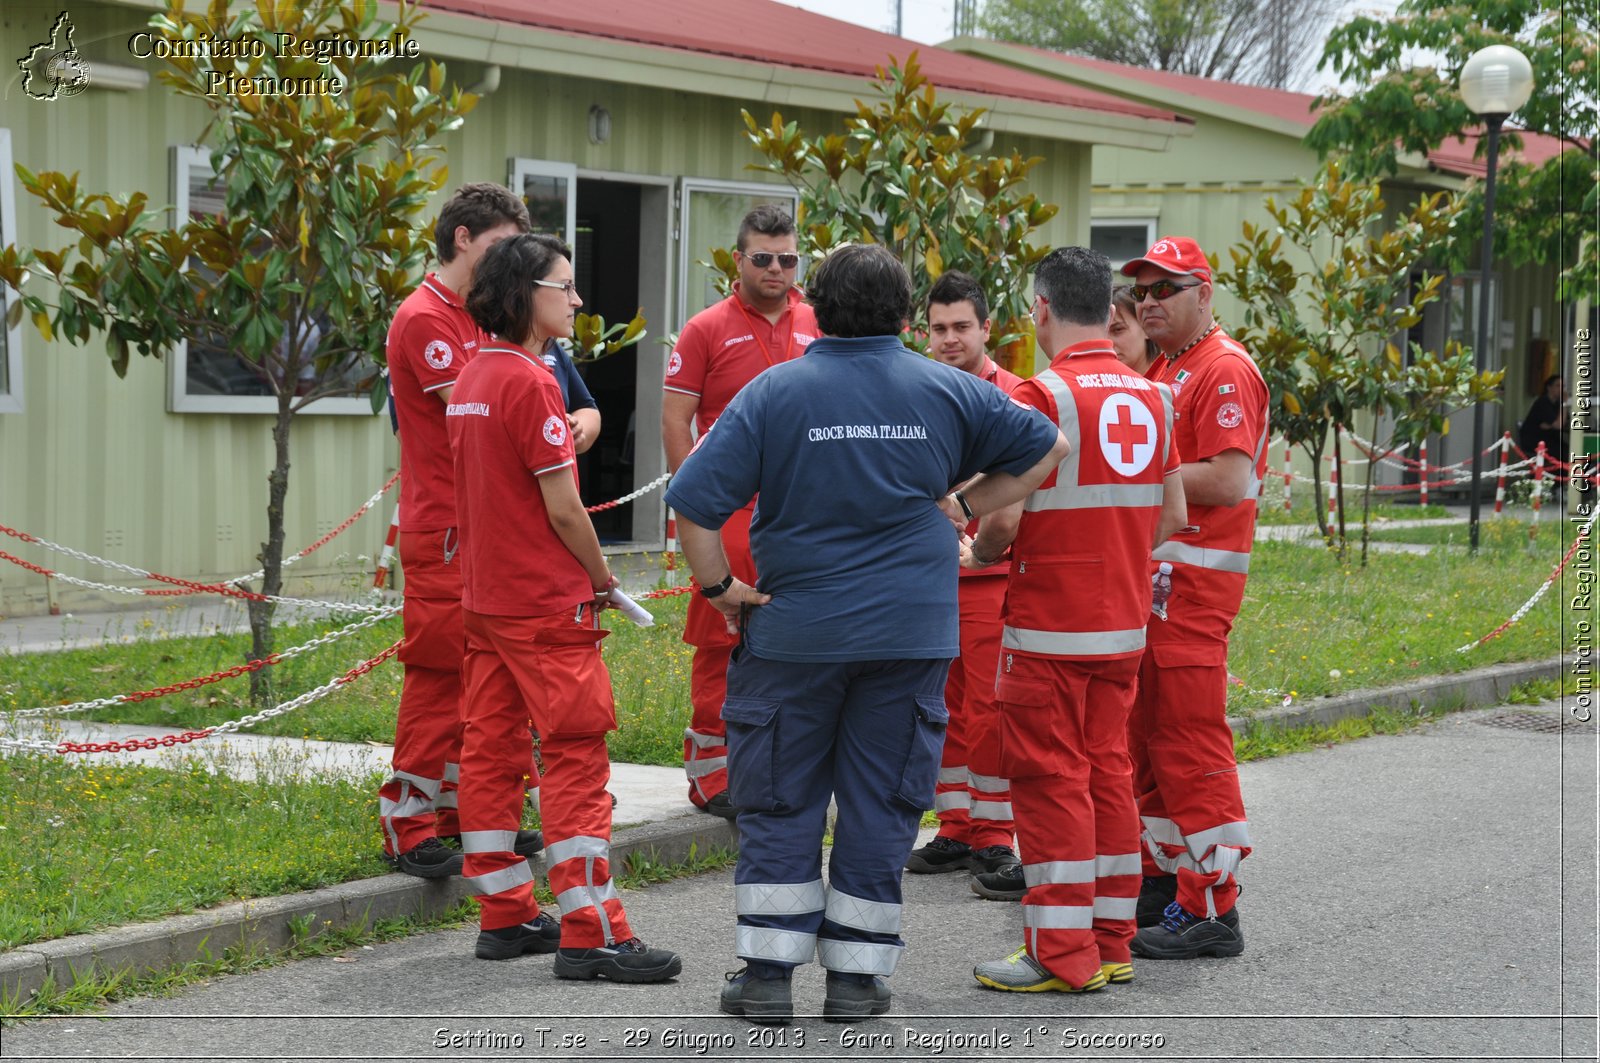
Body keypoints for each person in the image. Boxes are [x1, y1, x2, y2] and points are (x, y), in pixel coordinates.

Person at [666, 244, 1067, 1025]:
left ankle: (768, 977)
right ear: (907, 315)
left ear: (817, 303)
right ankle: (855, 979)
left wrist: (721, 591)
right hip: (910, 635)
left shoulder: (772, 392)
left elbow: (695, 504)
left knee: (779, 801)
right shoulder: (947, 386)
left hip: (792, 635)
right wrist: (963, 502)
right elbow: (1046, 447)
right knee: (884, 803)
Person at [449, 233, 682, 980]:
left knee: (490, 751)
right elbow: (564, 508)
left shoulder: (472, 377)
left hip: (487, 600)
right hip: (546, 605)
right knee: (576, 758)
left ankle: (505, 913)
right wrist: (602, 576)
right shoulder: (530, 380)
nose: (578, 300)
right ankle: (594, 931)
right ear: (527, 293)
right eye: (566, 286)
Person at [965, 247, 1186, 994]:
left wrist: (977, 548)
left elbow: (1005, 515)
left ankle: (1058, 952)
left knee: (1050, 781)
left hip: (1048, 629)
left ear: (1042, 310)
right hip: (1124, 628)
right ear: (1109, 307)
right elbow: (1174, 515)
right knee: (1108, 776)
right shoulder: (1156, 397)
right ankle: (1110, 939)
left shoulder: (1042, 394)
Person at [378, 183, 542, 877]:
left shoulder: (482, 314)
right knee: (438, 676)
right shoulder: (424, 318)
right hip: (445, 525)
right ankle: (407, 820)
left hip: (486, 525)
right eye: (504, 245)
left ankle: (453, 812)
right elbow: (491, 413)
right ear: (462, 239)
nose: (515, 261)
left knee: (483, 681)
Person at [1121, 236, 1269, 961]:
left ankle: (1213, 906)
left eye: (1165, 289)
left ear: (1203, 294)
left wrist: (1140, 482)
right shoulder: (1171, 364)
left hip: (1195, 592)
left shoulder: (1224, 367)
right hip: (1156, 589)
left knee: (1188, 741)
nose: (1149, 301)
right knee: (1146, 742)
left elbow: (1232, 478)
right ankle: (1166, 881)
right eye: (1141, 290)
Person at [661, 205, 818, 818]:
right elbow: (676, 421)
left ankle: (775, 766)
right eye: (763, 258)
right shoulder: (705, 328)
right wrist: (693, 504)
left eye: (788, 259)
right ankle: (710, 776)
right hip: (730, 512)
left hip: (801, 512)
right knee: (719, 643)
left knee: (794, 640)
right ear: (738, 259)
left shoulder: (818, 323)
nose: (777, 269)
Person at [905, 271, 1024, 887]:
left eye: (961, 327)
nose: (949, 339)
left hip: (988, 576)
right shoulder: (916, 392)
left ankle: (995, 836)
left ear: (986, 328)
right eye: (938, 328)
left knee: (989, 711)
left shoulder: (1011, 395)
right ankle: (954, 828)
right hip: (928, 579)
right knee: (939, 710)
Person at [1109, 284, 1160, 377]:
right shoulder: (1089, 386)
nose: (1107, 343)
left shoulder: (1170, 385)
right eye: (1100, 334)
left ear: (1146, 328)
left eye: (1118, 329)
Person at [1519, 375, 1566, 460]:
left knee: (1569, 449)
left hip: (1550, 440)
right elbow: (1559, 425)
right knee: (1563, 453)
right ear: (1549, 388)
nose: (1561, 389)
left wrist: (1551, 425)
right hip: (1535, 441)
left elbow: (1563, 422)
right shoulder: (1543, 403)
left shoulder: (1556, 404)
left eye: (1563, 386)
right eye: (1558, 386)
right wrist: (1564, 404)